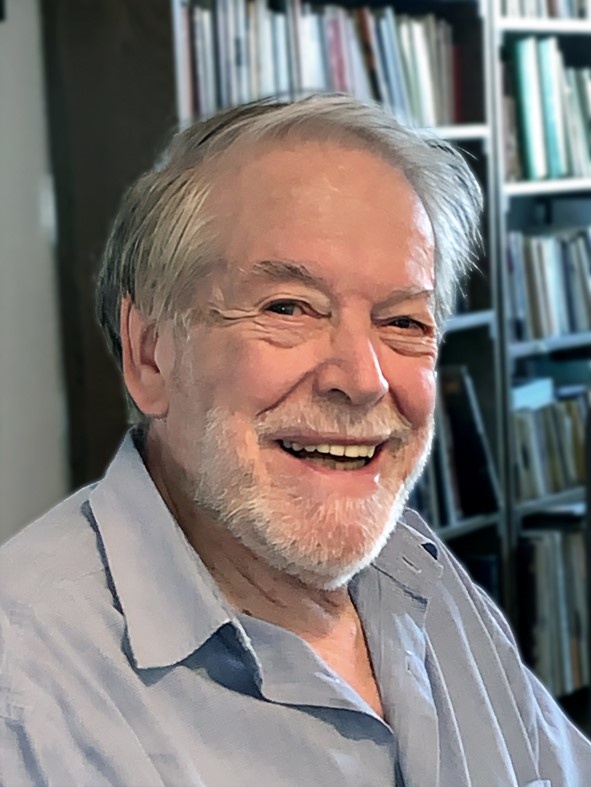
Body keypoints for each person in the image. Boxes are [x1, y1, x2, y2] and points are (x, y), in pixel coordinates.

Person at [0, 94, 589, 786]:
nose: (363, 380)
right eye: (289, 308)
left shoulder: (419, 574)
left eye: (404, 322)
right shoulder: (27, 693)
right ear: (150, 356)